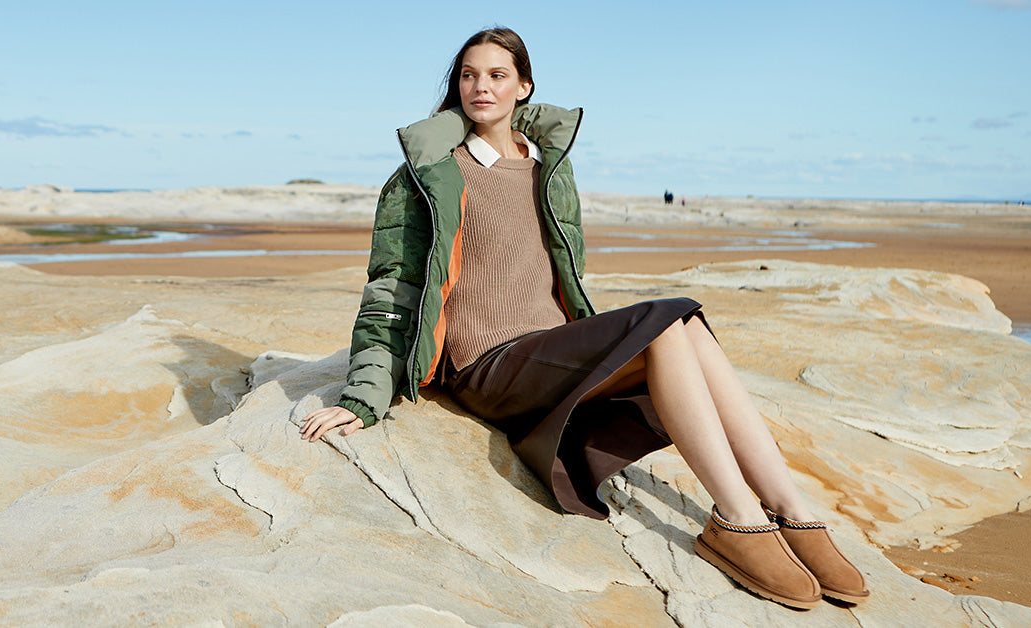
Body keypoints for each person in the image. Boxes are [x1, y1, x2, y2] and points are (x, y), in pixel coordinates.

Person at [301, 27, 867, 610]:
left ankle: (792, 512)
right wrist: (362, 397)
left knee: (685, 326)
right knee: (669, 315)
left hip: (551, 348)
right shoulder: (429, 175)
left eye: (497, 75)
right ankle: (738, 518)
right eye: (468, 75)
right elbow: (391, 285)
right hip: (487, 366)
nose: (480, 87)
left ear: (524, 87)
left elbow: (563, 277)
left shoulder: (548, 168)